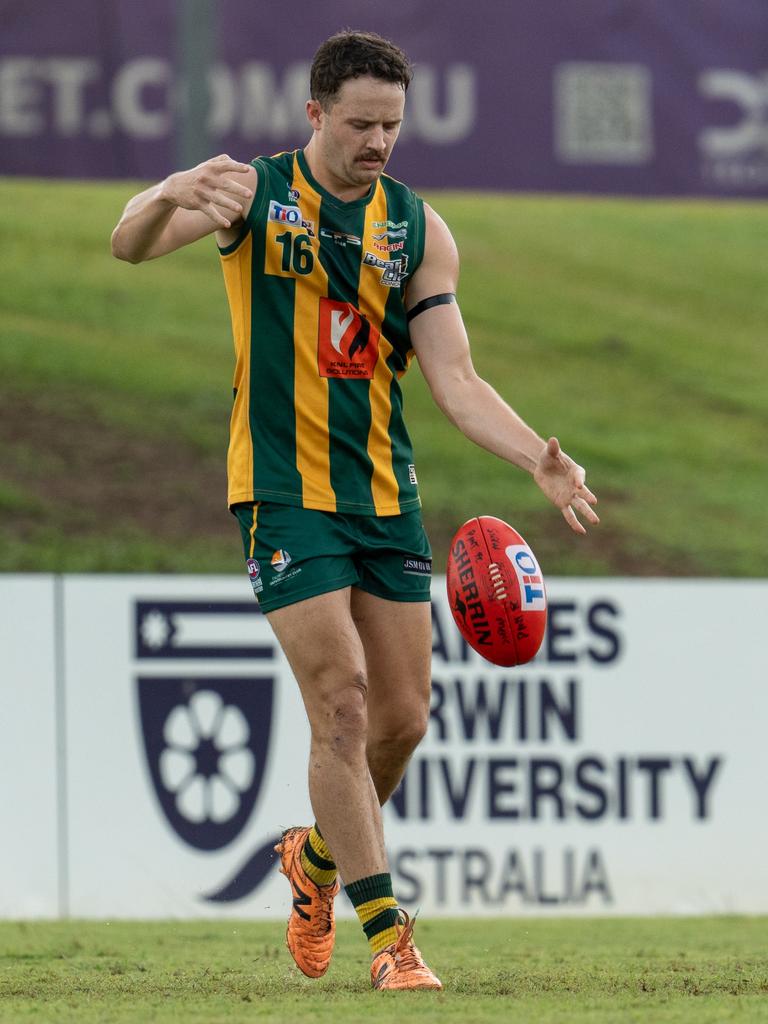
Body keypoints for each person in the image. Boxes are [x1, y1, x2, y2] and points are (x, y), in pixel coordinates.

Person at [111, 29, 598, 992]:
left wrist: (532, 455)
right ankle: (390, 938)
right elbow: (127, 246)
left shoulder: (418, 229)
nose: (380, 142)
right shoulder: (250, 194)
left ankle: (317, 860)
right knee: (340, 702)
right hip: (283, 496)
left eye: (394, 126)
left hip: (385, 498)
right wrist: (166, 190)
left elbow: (456, 379)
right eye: (364, 124)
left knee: (404, 721)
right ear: (317, 114)